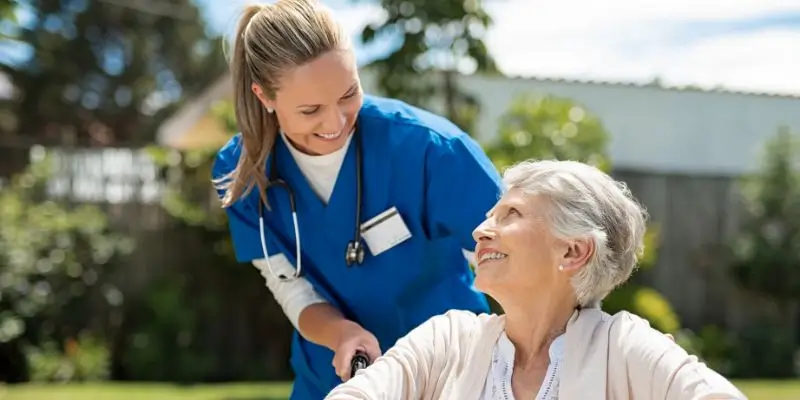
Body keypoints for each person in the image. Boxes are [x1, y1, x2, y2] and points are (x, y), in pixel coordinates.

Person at [210, 0, 502, 398]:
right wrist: (340, 333)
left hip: (449, 376)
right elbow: (291, 289)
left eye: (349, 93)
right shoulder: (241, 174)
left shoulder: (433, 151)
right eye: (310, 110)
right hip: (334, 380)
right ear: (264, 96)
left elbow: (516, 267)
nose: (335, 123)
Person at [325, 160, 747, 400]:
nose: (480, 230)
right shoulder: (447, 340)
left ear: (573, 251)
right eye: (491, 214)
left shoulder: (624, 349)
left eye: (511, 215)